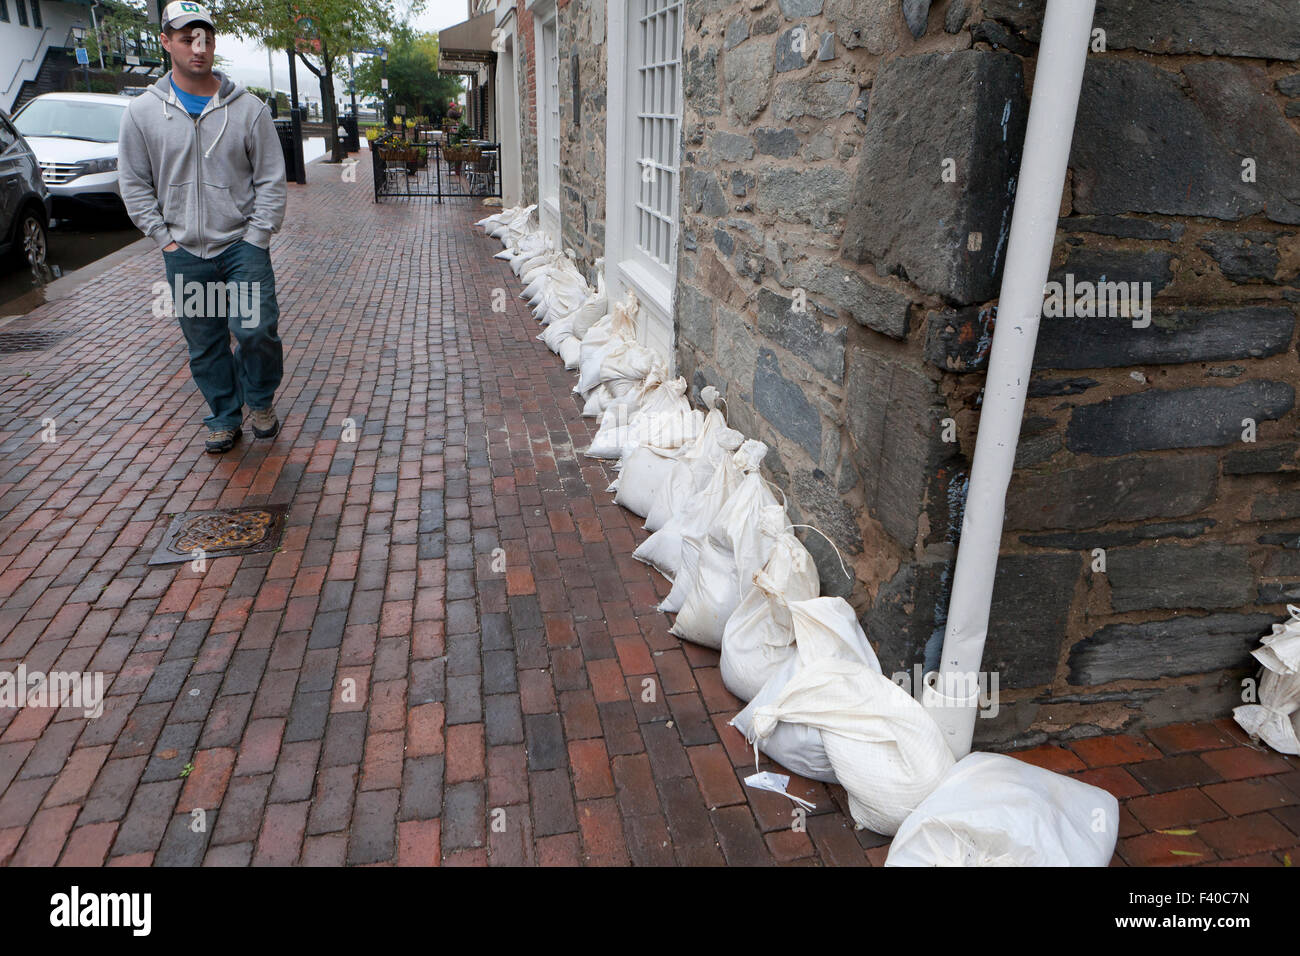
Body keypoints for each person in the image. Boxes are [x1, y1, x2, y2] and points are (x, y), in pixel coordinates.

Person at [118, 1, 286, 454]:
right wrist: (164, 239)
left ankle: (260, 399)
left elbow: (271, 177)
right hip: (186, 253)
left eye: (206, 38)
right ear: (166, 42)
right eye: (188, 37)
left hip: (241, 247)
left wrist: (258, 235)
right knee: (206, 341)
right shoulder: (143, 113)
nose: (199, 46)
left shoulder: (247, 109)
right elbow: (133, 182)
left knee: (255, 331)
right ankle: (225, 416)